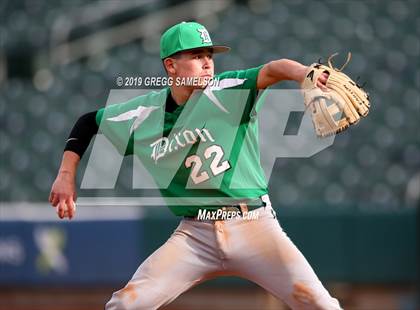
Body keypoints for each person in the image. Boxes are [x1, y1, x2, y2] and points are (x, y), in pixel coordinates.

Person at [49, 21, 341, 310]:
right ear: (171, 66)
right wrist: (65, 175)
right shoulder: (144, 113)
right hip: (195, 234)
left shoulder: (228, 91)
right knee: (125, 305)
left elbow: (273, 69)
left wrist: (304, 73)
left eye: (210, 56)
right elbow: (89, 122)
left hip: (254, 223)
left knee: (320, 304)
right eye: (197, 56)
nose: (207, 64)